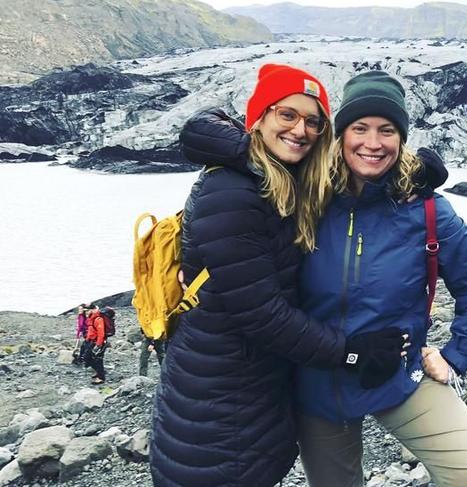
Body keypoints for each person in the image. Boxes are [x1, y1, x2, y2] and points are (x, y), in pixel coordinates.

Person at [149, 64, 408, 487]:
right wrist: (351, 352)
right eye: (287, 115)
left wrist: (414, 177)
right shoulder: (231, 192)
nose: (300, 130)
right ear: (260, 118)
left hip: (246, 396)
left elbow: (356, 181)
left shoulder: (285, 181)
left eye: (312, 121)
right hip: (219, 405)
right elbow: (260, 314)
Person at [295, 71, 467, 487]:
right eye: (360, 128)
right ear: (339, 135)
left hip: (398, 374)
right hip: (317, 382)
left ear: (401, 138)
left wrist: (456, 354)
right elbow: (256, 162)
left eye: (387, 130)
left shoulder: (426, 210)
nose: (372, 143)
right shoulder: (303, 195)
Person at [84, 305, 114, 385]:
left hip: (99, 342)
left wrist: (98, 345)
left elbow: (101, 334)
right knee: (88, 357)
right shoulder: (91, 318)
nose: (86, 312)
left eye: (87, 310)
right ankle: (99, 372)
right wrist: (87, 339)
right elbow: (91, 330)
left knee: (98, 359)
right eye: (85, 311)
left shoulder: (98, 319)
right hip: (92, 341)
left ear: (93, 310)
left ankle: (101, 378)